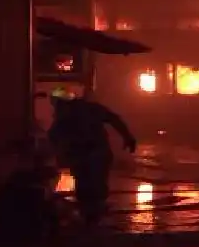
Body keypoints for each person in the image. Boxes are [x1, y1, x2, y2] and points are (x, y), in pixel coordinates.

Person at [47, 93, 137, 226]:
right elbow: (114, 119)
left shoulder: (69, 115)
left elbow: (54, 137)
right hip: (91, 154)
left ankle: (92, 215)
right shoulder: (89, 110)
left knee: (90, 185)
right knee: (90, 185)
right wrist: (128, 137)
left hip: (91, 154)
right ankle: (92, 215)